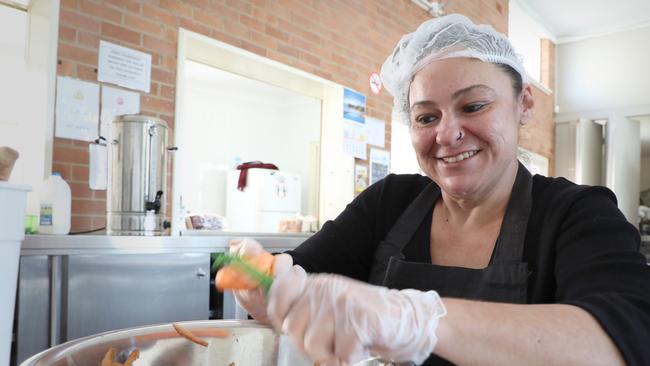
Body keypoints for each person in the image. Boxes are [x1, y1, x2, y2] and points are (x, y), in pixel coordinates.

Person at [219, 13, 650, 366]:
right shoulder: (388, 204)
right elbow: (297, 282)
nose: (447, 134)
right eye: (426, 117)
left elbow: (624, 340)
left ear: (524, 104)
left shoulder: (576, 214)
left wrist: (418, 320)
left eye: (473, 106)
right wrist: (262, 282)